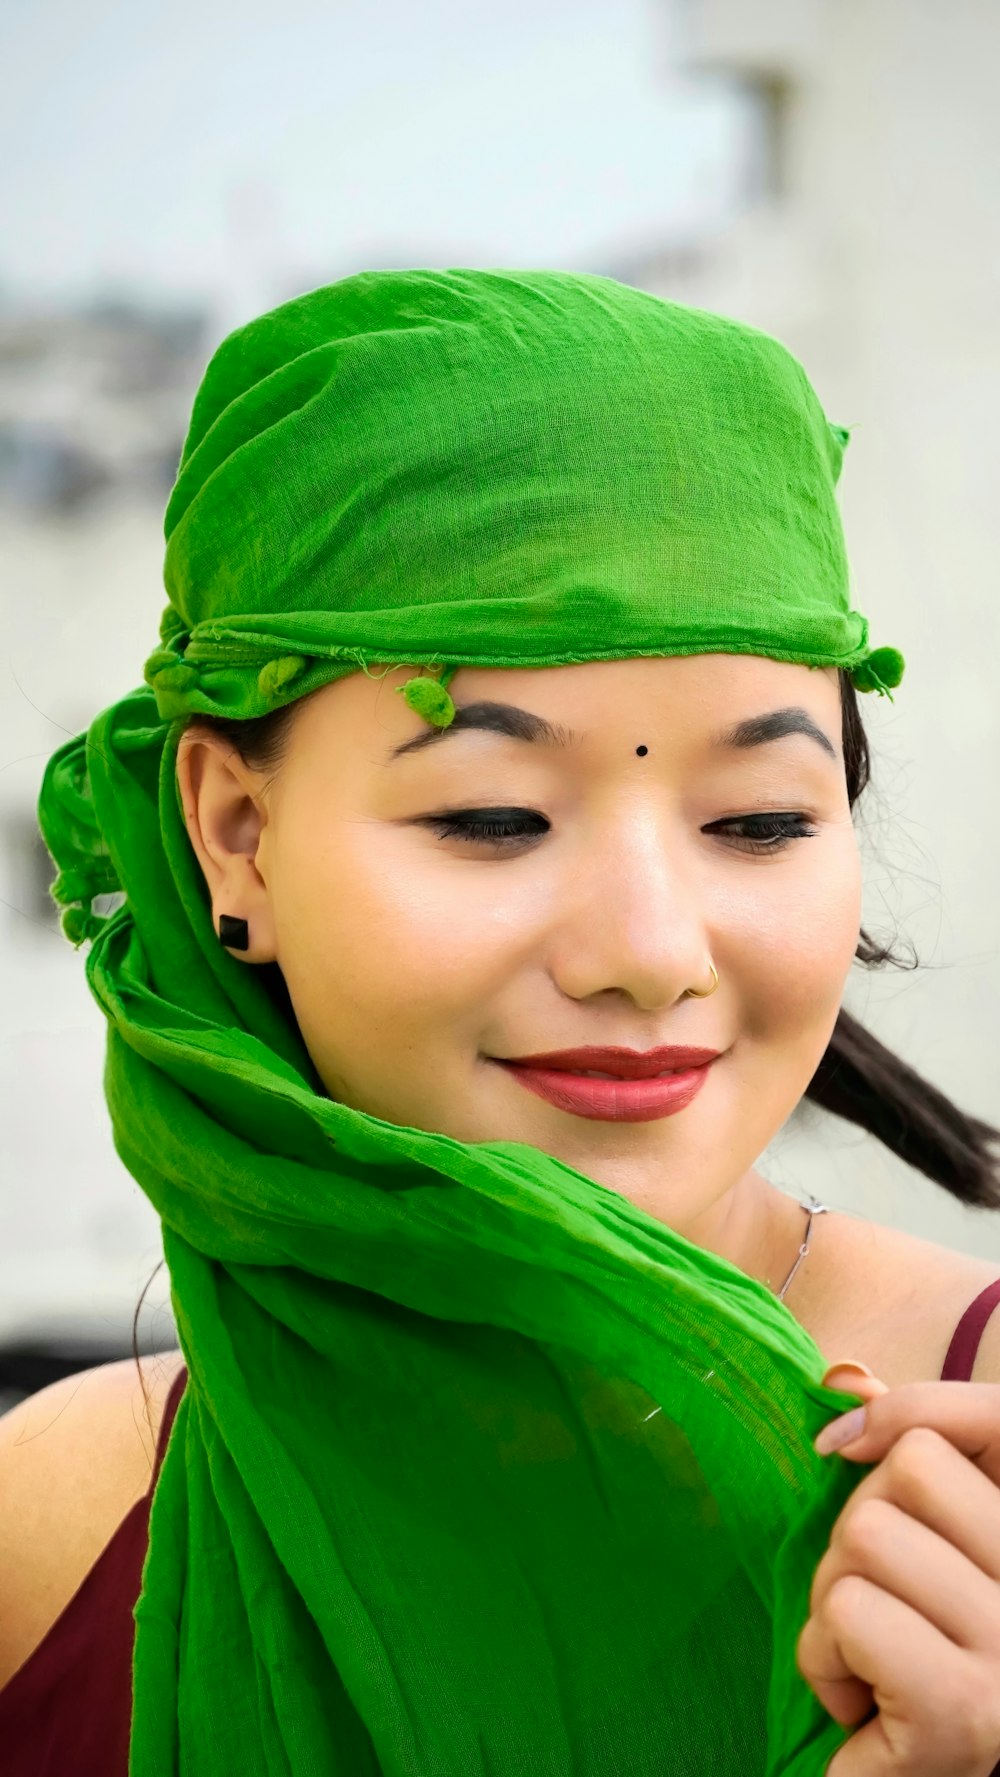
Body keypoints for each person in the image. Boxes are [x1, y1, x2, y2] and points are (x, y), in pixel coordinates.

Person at [2, 267, 1000, 1775]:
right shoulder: (55, 1525)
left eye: (755, 821)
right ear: (233, 835)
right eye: (490, 814)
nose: (651, 954)